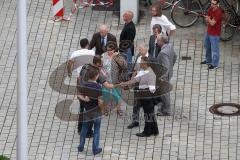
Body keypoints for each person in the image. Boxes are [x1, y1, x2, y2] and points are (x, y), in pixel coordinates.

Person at [118, 57, 159, 137]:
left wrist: (143, 92)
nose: (140, 63)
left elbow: (152, 89)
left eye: (141, 62)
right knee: (150, 114)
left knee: (148, 114)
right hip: (143, 96)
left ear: (146, 64)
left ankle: (147, 132)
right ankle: (154, 130)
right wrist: (125, 83)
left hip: (148, 98)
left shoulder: (150, 74)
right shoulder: (143, 71)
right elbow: (136, 79)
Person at [77, 56, 115, 136]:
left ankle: (80, 129)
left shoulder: (85, 66)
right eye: (101, 65)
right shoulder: (96, 72)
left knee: (82, 110)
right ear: (97, 64)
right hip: (91, 95)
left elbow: (79, 78)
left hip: (82, 92)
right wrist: (117, 84)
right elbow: (107, 85)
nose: (101, 67)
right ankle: (88, 132)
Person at [77, 67, 103, 155]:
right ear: (96, 76)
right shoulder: (98, 87)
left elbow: (78, 95)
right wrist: (102, 110)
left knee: (84, 128)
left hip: (87, 111)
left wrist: (85, 99)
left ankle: (81, 146)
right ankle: (95, 149)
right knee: (96, 130)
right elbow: (100, 101)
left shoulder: (84, 85)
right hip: (96, 111)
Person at [102, 43, 128, 116]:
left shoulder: (118, 56)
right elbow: (100, 67)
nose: (108, 52)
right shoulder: (103, 56)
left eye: (110, 50)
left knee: (117, 96)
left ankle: (118, 109)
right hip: (106, 81)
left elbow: (125, 66)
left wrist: (117, 57)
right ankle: (105, 109)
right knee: (105, 95)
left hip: (116, 80)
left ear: (114, 50)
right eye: (107, 50)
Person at [156, 35, 177, 116]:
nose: (157, 42)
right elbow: (175, 56)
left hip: (164, 76)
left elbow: (166, 66)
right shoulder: (170, 46)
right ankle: (163, 107)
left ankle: (166, 110)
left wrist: (162, 77)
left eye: (158, 41)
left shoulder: (163, 53)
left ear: (162, 42)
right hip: (169, 74)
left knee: (164, 93)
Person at [201, 0, 223, 69]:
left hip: (215, 34)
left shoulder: (218, 12)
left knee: (215, 49)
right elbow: (207, 22)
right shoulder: (210, 9)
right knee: (207, 45)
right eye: (211, 3)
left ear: (217, 4)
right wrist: (207, 19)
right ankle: (208, 60)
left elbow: (212, 23)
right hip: (209, 31)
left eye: (214, 4)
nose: (212, 5)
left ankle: (215, 64)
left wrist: (208, 19)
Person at [120, 11, 136, 77]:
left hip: (127, 49)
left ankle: (128, 77)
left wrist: (123, 49)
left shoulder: (131, 27)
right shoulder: (127, 24)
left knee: (128, 63)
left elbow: (129, 40)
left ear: (129, 17)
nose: (123, 16)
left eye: (125, 15)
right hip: (124, 48)